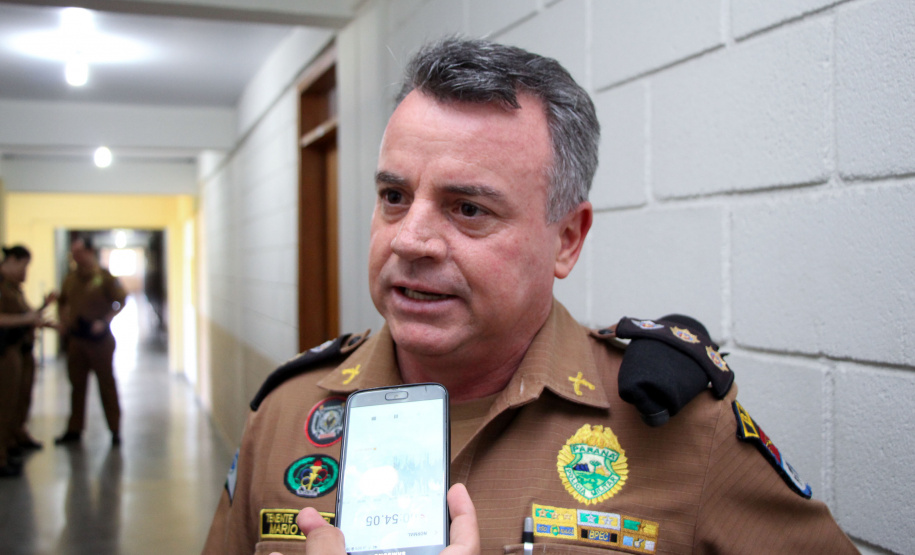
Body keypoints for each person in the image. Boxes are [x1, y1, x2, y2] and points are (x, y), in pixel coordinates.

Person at [204, 38, 857, 554]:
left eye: (467, 208)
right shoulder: (285, 414)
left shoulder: (679, 432)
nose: (410, 238)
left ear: (566, 239)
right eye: (394, 196)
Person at [55, 235, 127, 446]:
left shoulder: (104, 277)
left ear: (89, 252)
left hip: (99, 341)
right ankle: (74, 429)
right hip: (77, 339)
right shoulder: (70, 279)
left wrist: (105, 321)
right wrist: (63, 321)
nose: (75, 257)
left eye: (79, 252)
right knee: (77, 386)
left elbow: (121, 301)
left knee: (106, 385)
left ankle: (115, 429)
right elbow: (62, 302)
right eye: (73, 253)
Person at [0, 245, 55, 476]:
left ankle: (10, 444)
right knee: (4, 405)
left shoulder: (13, 288)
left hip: (19, 350)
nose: (25, 272)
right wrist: (27, 319)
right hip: (6, 351)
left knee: (17, 402)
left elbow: (25, 315)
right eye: (23, 266)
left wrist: (41, 311)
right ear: (11, 260)